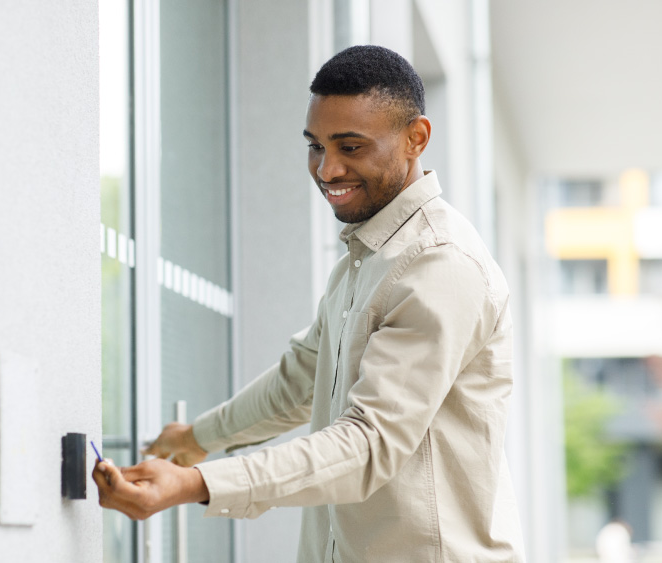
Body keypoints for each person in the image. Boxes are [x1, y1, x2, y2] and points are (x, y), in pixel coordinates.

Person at [93, 45, 524, 562]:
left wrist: (196, 482)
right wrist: (199, 437)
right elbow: (303, 379)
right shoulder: (365, 257)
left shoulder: (440, 266)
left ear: (417, 138)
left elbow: (368, 445)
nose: (327, 169)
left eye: (350, 147)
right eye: (316, 146)